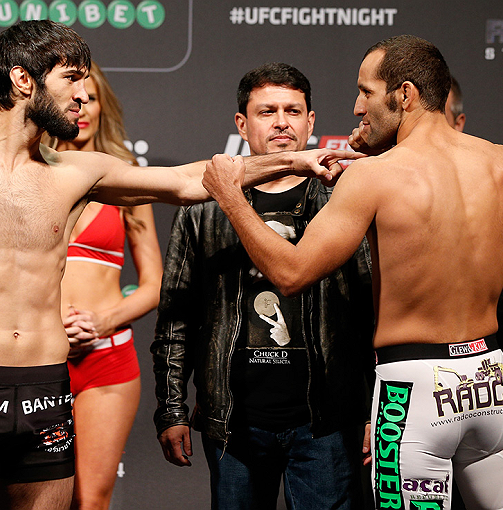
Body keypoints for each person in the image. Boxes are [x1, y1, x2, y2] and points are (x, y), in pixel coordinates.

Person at [0, 20, 358, 510]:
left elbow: (187, 181)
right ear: (22, 79)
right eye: (70, 79)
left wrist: (295, 161)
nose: (81, 95)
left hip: (45, 392)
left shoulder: (76, 172)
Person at [202, 35, 503, 510]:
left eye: (366, 92)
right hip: (489, 383)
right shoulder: (502, 162)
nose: (356, 106)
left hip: (412, 393)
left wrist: (230, 196)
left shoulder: (375, 176)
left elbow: (291, 273)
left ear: (405, 95)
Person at [151, 63, 375, 510]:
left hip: (326, 422)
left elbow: (371, 309)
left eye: (293, 111)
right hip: (234, 421)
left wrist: (374, 407)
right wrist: (172, 408)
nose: (280, 122)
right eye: (266, 111)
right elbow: (176, 315)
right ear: (242, 123)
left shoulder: (344, 197)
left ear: (311, 122)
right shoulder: (203, 209)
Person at [48, 61, 164, 510]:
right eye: (71, 96)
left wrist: (101, 321)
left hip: (107, 358)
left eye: (91, 97)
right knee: (37, 500)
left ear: (102, 107)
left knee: (90, 501)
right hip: (39, 358)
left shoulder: (128, 178)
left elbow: (154, 284)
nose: (81, 106)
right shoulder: (32, 173)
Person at [444, 75, 503, 349]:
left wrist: (476, 350)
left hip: (476, 359)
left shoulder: (495, 186)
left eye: (438, 118)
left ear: (459, 123)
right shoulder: (384, 181)